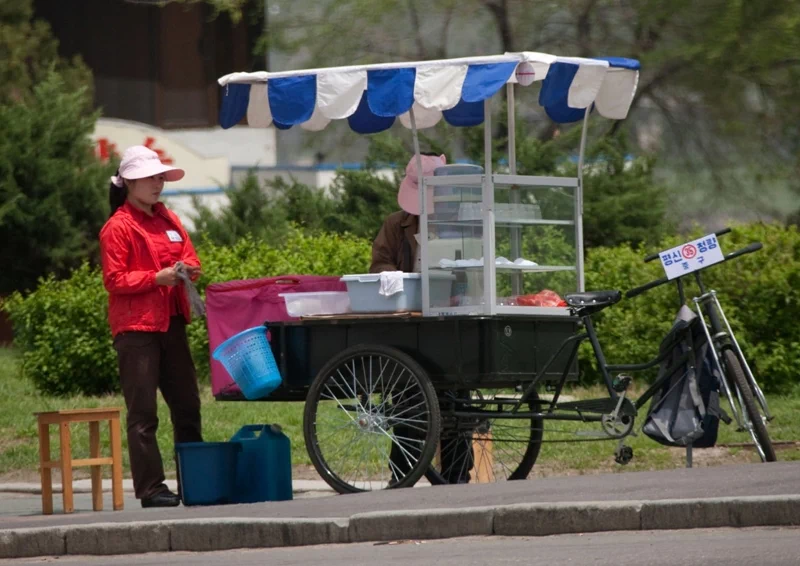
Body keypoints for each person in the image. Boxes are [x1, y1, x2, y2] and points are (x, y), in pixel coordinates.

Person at [99, 146, 203, 508]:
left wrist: (187, 269)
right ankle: (151, 489)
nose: (159, 184)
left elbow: (190, 256)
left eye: (161, 177)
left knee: (187, 405)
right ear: (129, 182)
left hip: (172, 321)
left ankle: (195, 481)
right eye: (151, 177)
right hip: (136, 329)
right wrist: (156, 278)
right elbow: (114, 280)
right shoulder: (118, 227)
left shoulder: (169, 219)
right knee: (144, 413)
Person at [371, 153, 474, 485]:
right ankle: (402, 474)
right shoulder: (395, 224)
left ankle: (458, 474)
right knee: (408, 398)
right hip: (410, 320)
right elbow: (378, 263)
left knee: (456, 400)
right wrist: (396, 278)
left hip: (450, 318)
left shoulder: (457, 223)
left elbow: (472, 268)